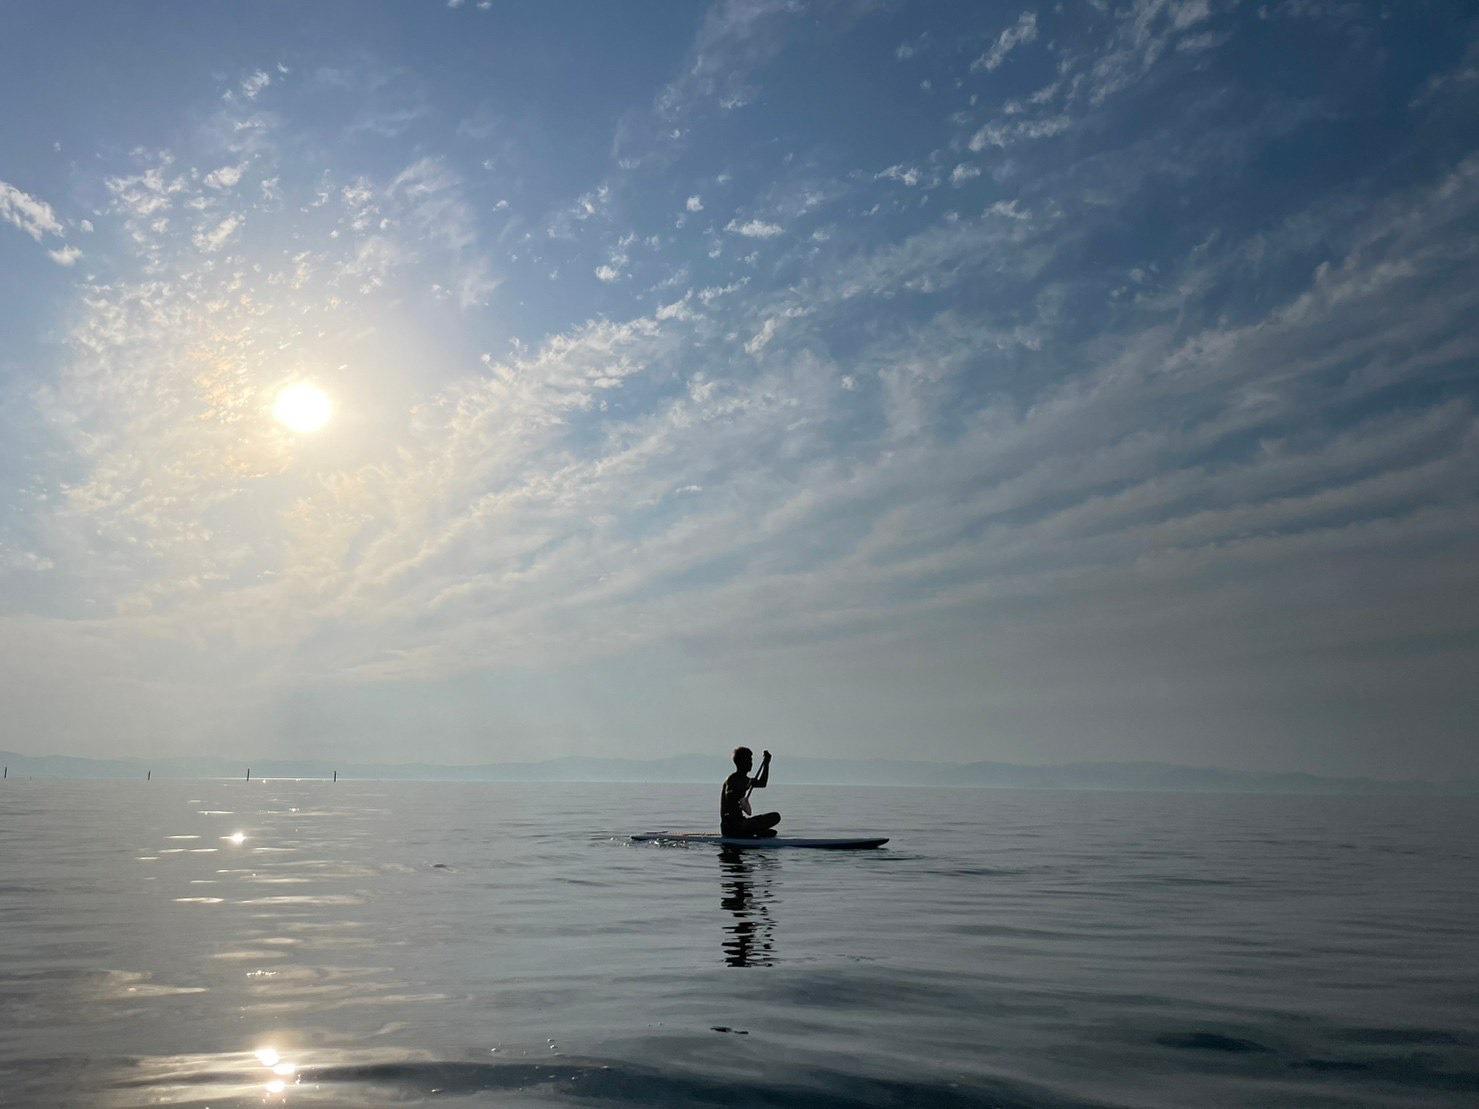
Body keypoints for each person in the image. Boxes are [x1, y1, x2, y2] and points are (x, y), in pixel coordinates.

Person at [721, 747, 780, 838]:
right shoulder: (732, 779)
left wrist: (766, 763)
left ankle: (752, 831)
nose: (751, 763)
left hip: (741, 822)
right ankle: (752, 832)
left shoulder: (746, 780)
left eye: (751, 760)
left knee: (776, 816)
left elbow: (762, 783)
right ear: (741, 762)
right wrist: (743, 788)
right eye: (748, 760)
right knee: (763, 827)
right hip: (731, 826)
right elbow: (730, 794)